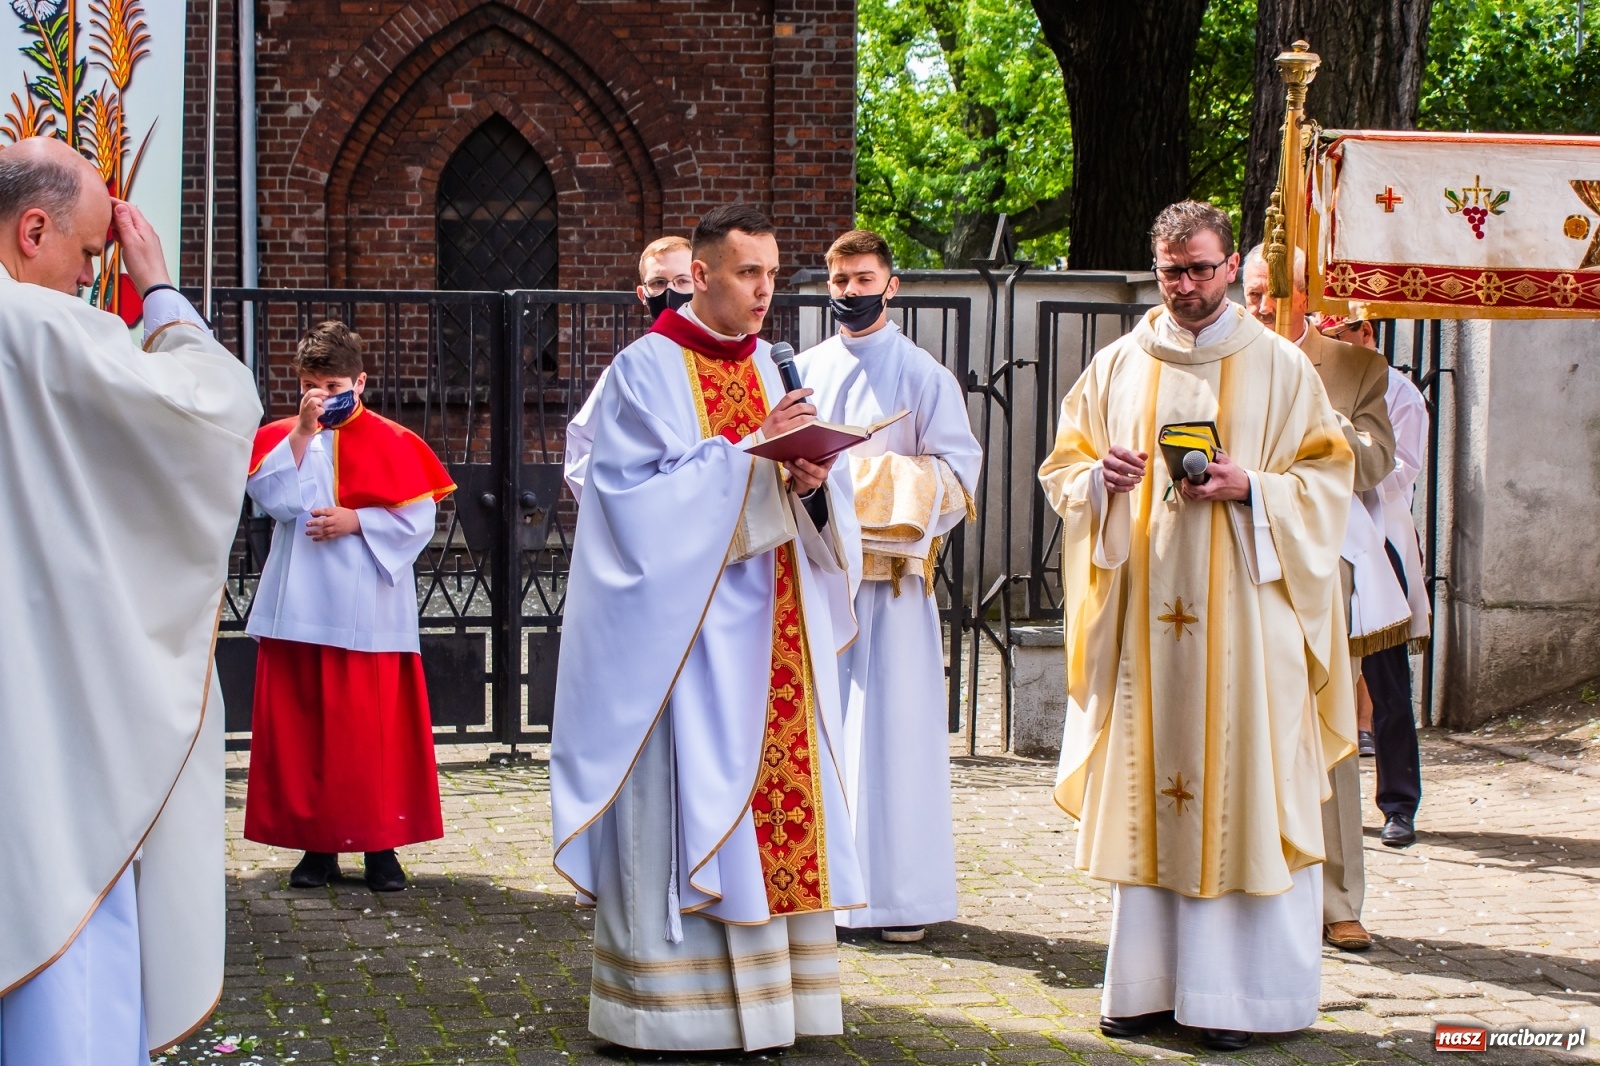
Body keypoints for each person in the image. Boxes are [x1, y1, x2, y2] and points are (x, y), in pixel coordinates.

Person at [1038, 201, 1356, 1052]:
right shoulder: (1116, 366)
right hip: (1146, 628)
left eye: (1203, 269)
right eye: (1173, 271)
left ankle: (1239, 1001)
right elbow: (1064, 465)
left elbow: (1329, 479)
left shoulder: (1281, 366)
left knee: (1244, 789)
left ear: (1229, 267)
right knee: (1149, 788)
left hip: (1248, 625)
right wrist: (1099, 479)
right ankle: (1146, 988)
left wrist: (1254, 487)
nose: (1187, 285)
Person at [550, 204, 866, 1053]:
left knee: (774, 812)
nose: (765, 291)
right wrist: (751, 459)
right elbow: (626, 505)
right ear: (699, 275)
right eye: (747, 273)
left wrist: (810, 484)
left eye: (773, 274)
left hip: (776, 631)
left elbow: (808, 498)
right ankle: (666, 1015)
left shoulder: (771, 364)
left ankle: (774, 1007)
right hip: (683, 645)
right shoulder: (642, 371)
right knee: (683, 806)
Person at [0, 137, 261, 1063]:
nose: (87, 276)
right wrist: (160, 292)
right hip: (36, 710)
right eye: (86, 253)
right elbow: (212, 410)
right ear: (33, 231)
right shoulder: (38, 327)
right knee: (54, 880)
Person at [795, 229, 981, 943]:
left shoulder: (924, 375)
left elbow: (959, 476)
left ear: (891, 285)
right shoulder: (806, 370)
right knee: (826, 733)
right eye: (840, 281)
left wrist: (859, 482)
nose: (850, 293)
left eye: (864, 279)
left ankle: (901, 901)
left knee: (896, 740)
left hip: (896, 585)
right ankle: (828, 891)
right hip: (823, 577)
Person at [242, 320, 456, 893]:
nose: (320, 397)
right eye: (309, 386)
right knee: (307, 733)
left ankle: (380, 848)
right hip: (300, 601)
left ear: (359, 383)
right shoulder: (285, 436)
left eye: (332, 386)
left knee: (370, 735)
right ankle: (317, 848)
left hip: (369, 609)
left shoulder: (395, 441)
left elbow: (419, 520)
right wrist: (302, 432)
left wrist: (357, 519)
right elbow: (271, 499)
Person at [1242, 247, 1400, 954]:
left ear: (1312, 295)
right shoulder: (1218, 355)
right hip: (1234, 554)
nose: (1262, 307)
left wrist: (1315, 421)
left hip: (1319, 560)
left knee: (1325, 715)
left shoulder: (1356, 367)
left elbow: (1375, 461)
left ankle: (1338, 898)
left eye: (1276, 292)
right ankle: (1247, 878)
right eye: (1252, 293)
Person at [1319, 314, 1429, 848]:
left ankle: (1399, 803)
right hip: (1319, 529)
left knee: (1387, 680)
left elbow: (1399, 469)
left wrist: (1338, 447)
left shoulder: (1400, 392)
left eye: (1341, 336)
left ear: (1365, 335)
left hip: (1376, 535)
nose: (1334, 346)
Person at [564, 235, 694, 503]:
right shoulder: (629, 369)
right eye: (658, 283)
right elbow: (582, 451)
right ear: (643, 295)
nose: (670, 292)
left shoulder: (735, 361)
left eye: (682, 281)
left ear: (701, 283)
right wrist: (627, 505)